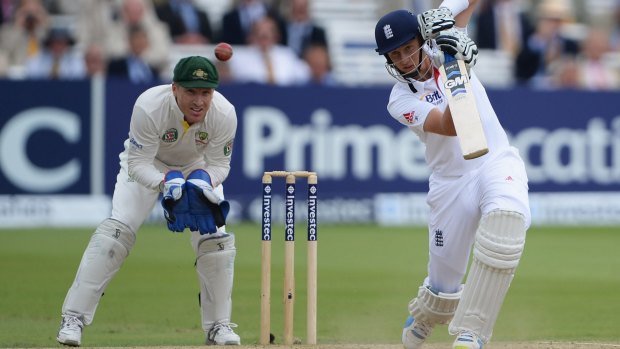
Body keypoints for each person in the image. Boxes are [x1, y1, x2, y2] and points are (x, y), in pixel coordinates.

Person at [373, 2, 530, 349]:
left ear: (421, 39)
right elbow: (448, 124)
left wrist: (445, 19)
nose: (404, 59)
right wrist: (461, 67)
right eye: (395, 55)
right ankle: (427, 312)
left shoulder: (447, 41)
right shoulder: (399, 99)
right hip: (450, 183)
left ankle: (471, 332)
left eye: (408, 48)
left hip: (494, 160)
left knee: (506, 224)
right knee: (443, 283)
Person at [56, 56, 241, 347]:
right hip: (149, 166)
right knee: (115, 235)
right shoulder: (149, 105)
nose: (199, 101)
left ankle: (218, 326)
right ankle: (73, 318)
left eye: (206, 93)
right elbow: (138, 161)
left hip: (196, 169)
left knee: (217, 241)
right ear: (174, 88)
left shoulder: (225, 113)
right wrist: (165, 181)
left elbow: (221, 165)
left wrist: (202, 180)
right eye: (191, 91)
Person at [228, 15, 310, 85]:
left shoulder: (287, 54)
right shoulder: (240, 57)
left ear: (276, 36)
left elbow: (305, 73)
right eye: (259, 31)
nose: (264, 34)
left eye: (269, 32)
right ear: (251, 35)